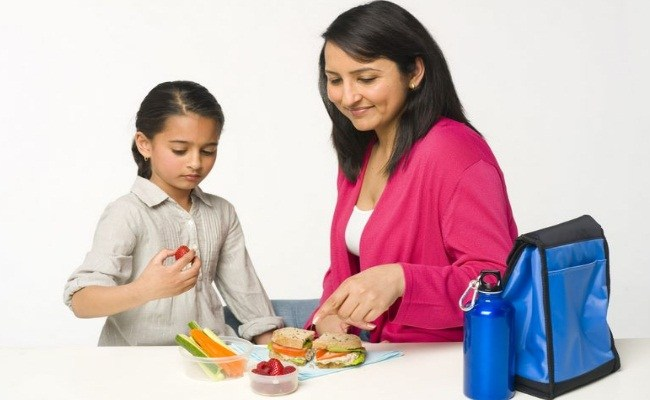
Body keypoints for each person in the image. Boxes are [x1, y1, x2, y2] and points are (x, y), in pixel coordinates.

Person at [308, 1, 518, 343]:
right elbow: (346, 270)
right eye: (335, 80)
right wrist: (327, 317)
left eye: (366, 78)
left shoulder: (452, 150)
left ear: (415, 72)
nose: (347, 97)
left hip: (449, 360)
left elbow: (494, 279)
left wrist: (401, 280)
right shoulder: (360, 153)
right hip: (379, 357)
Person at [63, 81, 282, 346]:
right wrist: (145, 289)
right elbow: (81, 301)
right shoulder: (127, 213)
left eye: (208, 151)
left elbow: (247, 295)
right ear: (144, 144)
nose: (195, 163)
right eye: (179, 150)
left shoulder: (222, 212)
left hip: (210, 356)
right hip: (136, 362)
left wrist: (275, 353)